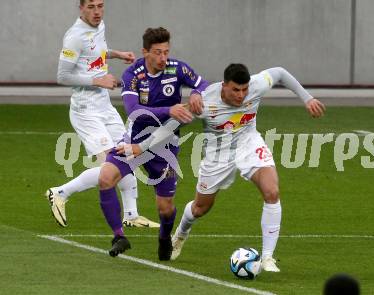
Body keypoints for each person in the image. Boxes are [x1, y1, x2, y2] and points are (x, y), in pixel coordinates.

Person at [121, 63, 325, 270]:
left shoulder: (256, 85)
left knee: (272, 192)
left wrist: (307, 98)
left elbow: (280, 72)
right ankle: (180, 235)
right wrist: (141, 146)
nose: (241, 95)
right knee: (200, 208)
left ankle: (267, 257)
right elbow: (171, 125)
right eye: (236, 90)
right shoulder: (205, 101)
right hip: (218, 155)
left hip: (249, 144)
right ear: (224, 85)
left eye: (245, 89)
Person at [46, 0, 159, 229]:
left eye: (100, 6)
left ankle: (131, 215)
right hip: (86, 110)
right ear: (81, 8)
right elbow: (62, 76)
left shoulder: (99, 26)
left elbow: (96, 52)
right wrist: (97, 80)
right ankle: (60, 192)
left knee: (127, 154)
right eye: (91, 7)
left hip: (104, 105)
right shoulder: (74, 37)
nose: (97, 11)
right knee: (111, 165)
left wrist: (117, 54)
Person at [98, 27, 209, 258]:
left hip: (165, 144)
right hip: (135, 139)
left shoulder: (177, 68)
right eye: (157, 53)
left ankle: (164, 236)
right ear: (145, 52)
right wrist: (170, 109)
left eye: (166, 52)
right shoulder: (133, 74)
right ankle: (119, 235)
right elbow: (133, 110)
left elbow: (204, 84)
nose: (163, 58)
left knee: (165, 208)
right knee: (105, 178)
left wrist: (197, 93)